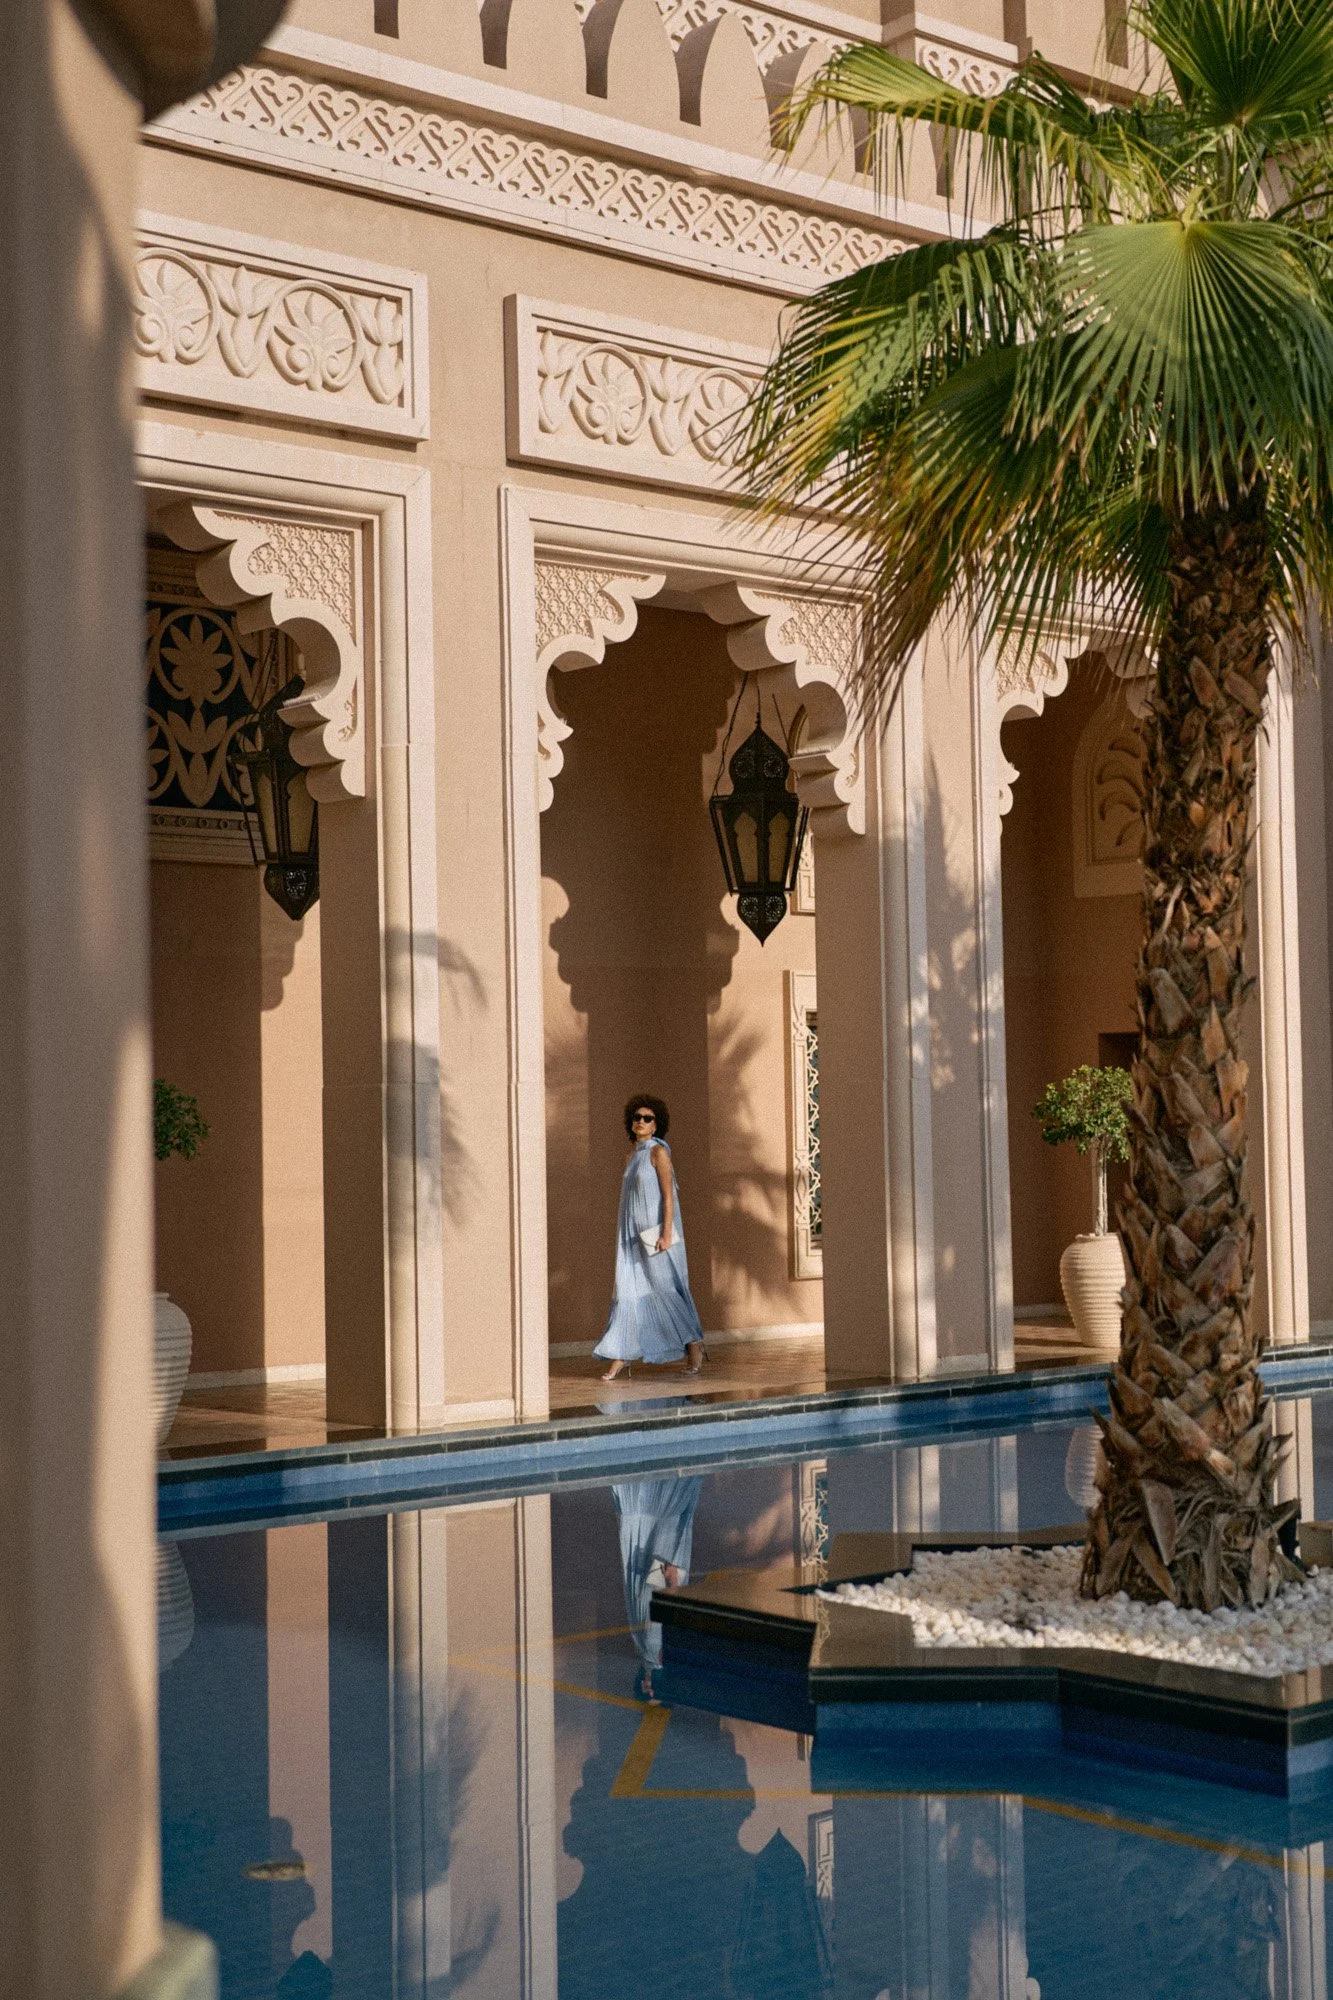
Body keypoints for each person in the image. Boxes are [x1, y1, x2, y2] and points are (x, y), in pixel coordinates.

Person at [594, 1095, 706, 1382]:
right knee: (628, 1290)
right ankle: (620, 1356)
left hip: (655, 1236)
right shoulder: (631, 1157)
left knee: (665, 1290)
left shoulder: (659, 1153)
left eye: (647, 1118)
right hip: (631, 1236)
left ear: (656, 1126)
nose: (640, 1122)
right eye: (637, 1117)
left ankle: (694, 1346)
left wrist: (666, 1233)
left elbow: (669, 1196)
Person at [610, 1475, 705, 1699]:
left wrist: (671, 1581)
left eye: (648, 1692)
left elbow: (659, 1611)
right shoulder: (654, 1656)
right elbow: (668, 1616)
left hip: (656, 1575)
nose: (651, 1688)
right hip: (657, 1574)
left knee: (661, 1523)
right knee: (659, 1525)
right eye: (655, 1693)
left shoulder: (651, 1655)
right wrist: (671, 1581)